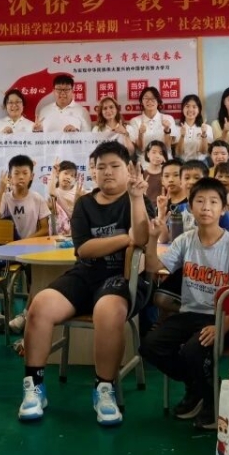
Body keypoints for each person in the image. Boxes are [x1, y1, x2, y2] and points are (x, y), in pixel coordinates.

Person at [17, 141, 151, 427]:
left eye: (114, 166)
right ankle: (34, 386)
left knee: (107, 311)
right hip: (85, 274)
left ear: (128, 169)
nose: (107, 172)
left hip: (123, 279)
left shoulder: (137, 199)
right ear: (93, 172)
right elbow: (85, 249)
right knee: (40, 306)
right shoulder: (85, 204)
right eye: (101, 167)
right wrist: (124, 238)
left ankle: (104, 389)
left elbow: (142, 239)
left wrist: (137, 200)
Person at [141, 178, 229, 429]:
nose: (206, 207)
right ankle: (198, 387)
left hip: (220, 317)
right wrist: (153, 238)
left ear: (223, 209)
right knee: (150, 346)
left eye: (213, 202)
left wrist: (222, 326)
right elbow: (154, 266)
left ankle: (209, 400)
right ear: (190, 207)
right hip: (189, 313)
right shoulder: (185, 240)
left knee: (192, 351)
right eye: (199, 201)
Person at [0, 155, 51, 239]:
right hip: (8, 245)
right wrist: (0, 191)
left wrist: (26, 241)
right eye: (16, 173)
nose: (21, 177)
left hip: (30, 244)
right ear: (10, 177)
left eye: (25, 173)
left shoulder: (38, 198)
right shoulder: (4, 198)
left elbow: (45, 229)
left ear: (31, 176)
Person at [128, 86, 176, 156]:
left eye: (153, 98)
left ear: (158, 101)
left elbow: (168, 146)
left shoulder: (168, 118)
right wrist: (140, 134)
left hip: (165, 158)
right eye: (146, 98)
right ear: (141, 102)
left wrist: (167, 130)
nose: (149, 101)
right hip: (144, 159)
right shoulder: (135, 121)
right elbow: (140, 148)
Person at [174, 94, 212, 160]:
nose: (190, 109)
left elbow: (204, 151)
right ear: (182, 109)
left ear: (199, 110)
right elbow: (178, 152)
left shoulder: (207, 128)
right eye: (187, 106)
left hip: (200, 162)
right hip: (182, 162)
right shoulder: (177, 128)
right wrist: (182, 136)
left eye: (194, 107)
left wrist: (203, 134)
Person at [47, 160, 80, 235]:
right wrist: (54, 173)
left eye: (72, 175)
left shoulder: (78, 191)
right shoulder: (55, 191)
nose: (68, 177)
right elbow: (51, 193)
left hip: (75, 228)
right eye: (66, 173)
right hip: (60, 231)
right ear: (58, 173)